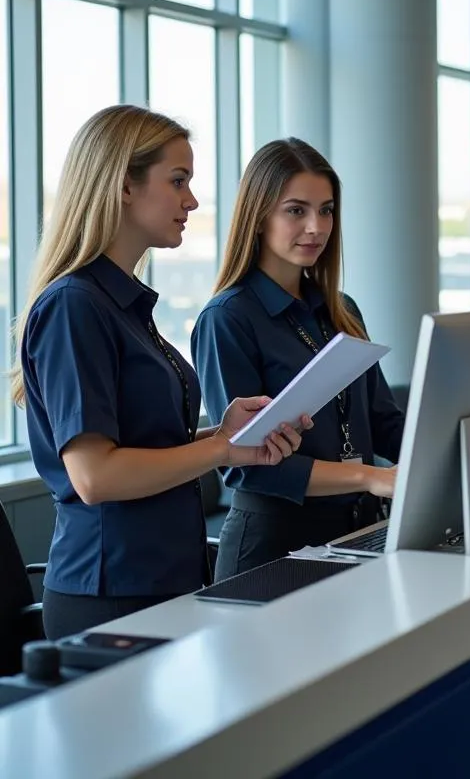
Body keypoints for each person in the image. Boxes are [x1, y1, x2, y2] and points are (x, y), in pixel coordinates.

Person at [13, 107, 303, 640]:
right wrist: (222, 450)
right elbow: (95, 477)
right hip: (112, 595)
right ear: (125, 186)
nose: (191, 200)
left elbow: (144, 445)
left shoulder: (120, 305)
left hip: (164, 579)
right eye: (178, 181)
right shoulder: (76, 305)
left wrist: (224, 433)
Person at [192, 139, 404, 580]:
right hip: (273, 545)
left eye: (326, 210)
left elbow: (384, 423)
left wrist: (452, 438)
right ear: (258, 216)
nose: (316, 227)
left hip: (356, 534)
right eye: (296, 210)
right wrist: (367, 476)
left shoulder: (340, 309)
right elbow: (247, 466)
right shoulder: (228, 318)